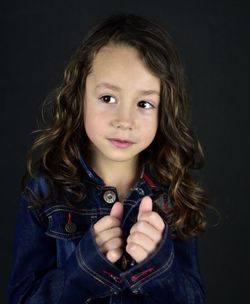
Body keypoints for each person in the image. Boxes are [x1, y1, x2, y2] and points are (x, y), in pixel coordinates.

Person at [8, 14, 207, 303]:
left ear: (164, 110)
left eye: (144, 104)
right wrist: (83, 270)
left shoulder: (174, 196)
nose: (124, 120)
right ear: (80, 97)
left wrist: (158, 267)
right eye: (108, 99)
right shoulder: (44, 194)